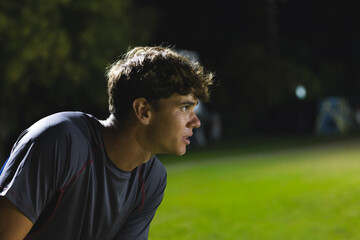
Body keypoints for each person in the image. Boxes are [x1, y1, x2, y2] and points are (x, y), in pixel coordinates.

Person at [0, 46, 214, 240]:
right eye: (185, 108)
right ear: (144, 111)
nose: (196, 122)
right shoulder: (61, 140)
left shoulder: (152, 179)